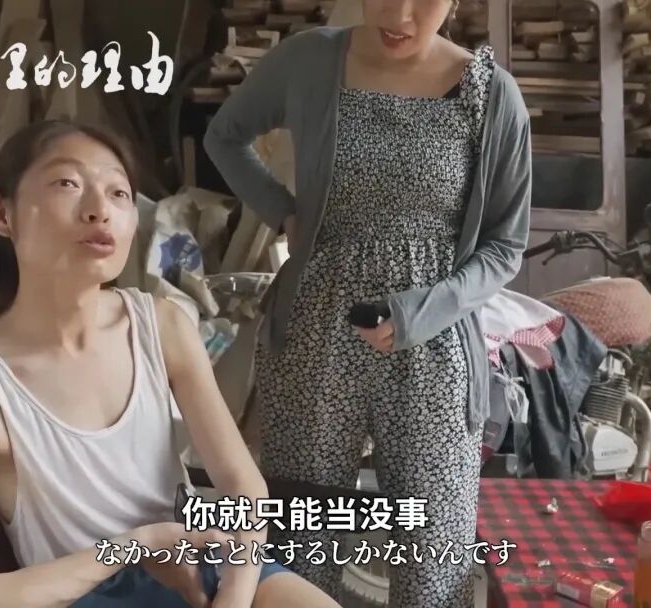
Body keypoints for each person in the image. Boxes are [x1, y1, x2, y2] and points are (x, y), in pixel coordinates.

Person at [0, 119, 342, 608]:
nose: (99, 210)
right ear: (1, 212)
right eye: (67, 183)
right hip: (86, 592)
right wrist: (137, 546)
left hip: (205, 564)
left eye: (119, 193)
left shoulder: (161, 324)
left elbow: (242, 485)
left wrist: (235, 595)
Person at [203, 0, 532, 605]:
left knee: (435, 553)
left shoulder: (492, 95)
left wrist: (420, 313)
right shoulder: (310, 59)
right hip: (312, 335)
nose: (399, 14)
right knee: (303, 543)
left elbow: (504, 246)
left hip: (435, 345)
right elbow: (224, 136)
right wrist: (282, 211)